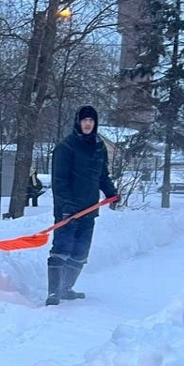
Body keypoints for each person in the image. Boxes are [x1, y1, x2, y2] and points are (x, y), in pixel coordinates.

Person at [46, 105, 117, 306]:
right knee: (61, 250)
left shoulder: (99, 146)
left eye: (91, 120)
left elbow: (102, 175)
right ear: (78, 122)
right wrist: (67, 206)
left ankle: (66, 289)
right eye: (84, 120)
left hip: (89, 210)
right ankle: (54, 293)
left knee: (80, 253)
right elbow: (59, 181)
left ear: (95, 123)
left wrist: (110, 191)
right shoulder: (66, 147)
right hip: (67, 211)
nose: (88, 123)